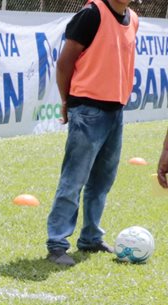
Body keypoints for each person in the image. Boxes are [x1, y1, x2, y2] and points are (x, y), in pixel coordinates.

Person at [46, 0, 138, 267]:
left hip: (115, 111)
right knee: (73, 179)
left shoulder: (133, 18)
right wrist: (68, 103)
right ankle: (57, 243)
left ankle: (90, 238)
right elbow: (64, 64)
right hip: (87, 110)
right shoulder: (91, 14)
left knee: (102, 181)